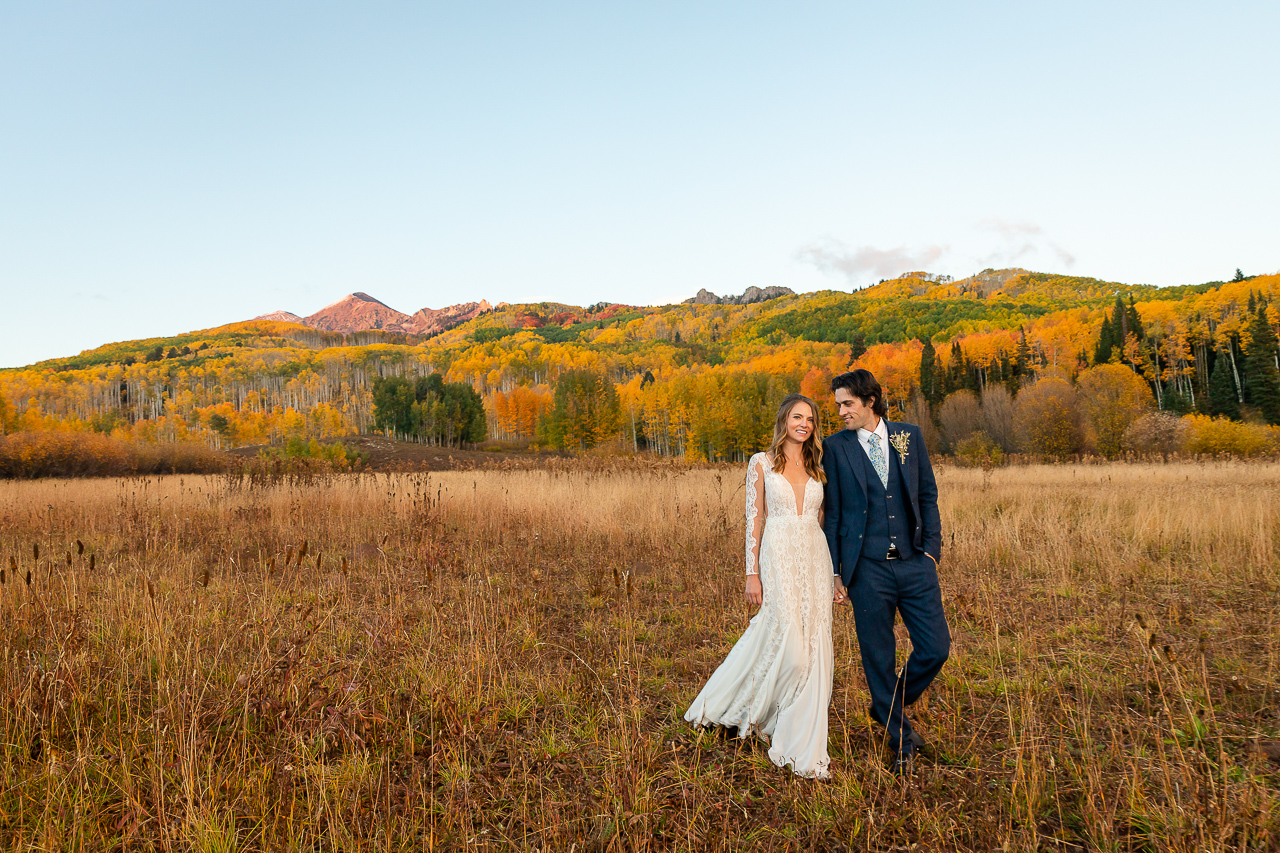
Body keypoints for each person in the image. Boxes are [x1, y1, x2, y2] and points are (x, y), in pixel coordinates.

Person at [684, 393, 840, 779]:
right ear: (784, 419)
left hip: (815, 555)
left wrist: (836, 572)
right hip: (779, 553)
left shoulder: (819, 464)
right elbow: (754, 521)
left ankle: (794, 723)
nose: (804, 424)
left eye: (811, 419)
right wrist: (750, 572)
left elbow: (826, 521)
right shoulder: (762, 463)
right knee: (785, 633)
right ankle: (733, 706)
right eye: (797, 417)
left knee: (814, 640)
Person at [822, 369, 949, 774]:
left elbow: (926, 494)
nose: (841, 411)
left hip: (915, 564)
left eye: (847, 404)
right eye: (838, 404)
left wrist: (931, 552)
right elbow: (836, 513)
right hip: (867, 570)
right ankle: (900, 743)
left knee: (935, 648)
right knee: (878, 657)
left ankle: (885, 704)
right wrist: (837, 573)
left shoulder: (908, 436)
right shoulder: (835, 447)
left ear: (869, 401)